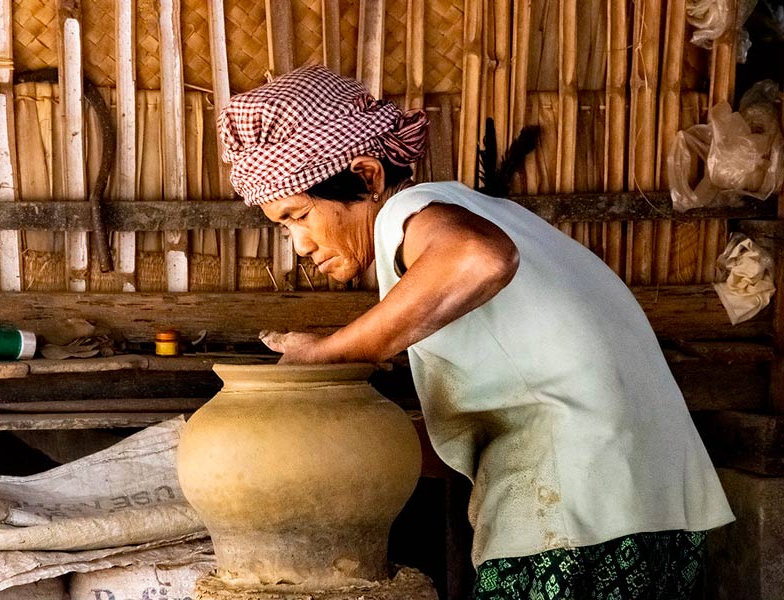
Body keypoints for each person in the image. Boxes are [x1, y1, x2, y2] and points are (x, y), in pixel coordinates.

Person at [216, 64, 735, 599]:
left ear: (368, 176)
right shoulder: (487, 209)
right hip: (656, 503)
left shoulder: (410, 213)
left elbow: (479, 258)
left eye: (299, 215)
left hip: (579, 516)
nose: (298, 245)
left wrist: (325, 355)